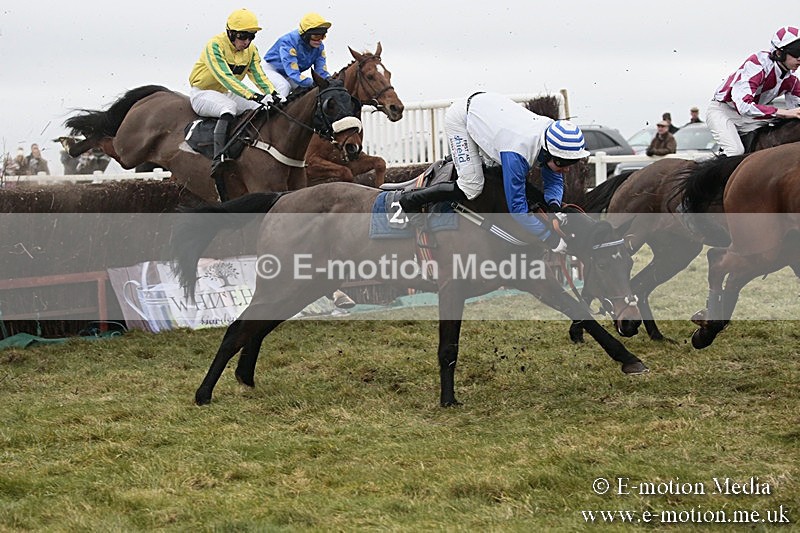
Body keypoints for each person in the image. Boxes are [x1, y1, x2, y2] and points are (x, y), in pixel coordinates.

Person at [398, 92, 590, 253]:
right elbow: (517, 209)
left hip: (488, 113)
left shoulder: (553, 138)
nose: (566, 169)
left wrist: (555, 207)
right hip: (462, 118)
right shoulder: (518, 154)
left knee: (495, 171)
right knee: (471, 186)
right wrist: (549, 238)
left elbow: (553, 181)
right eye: (564, 163)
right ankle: (411, 200)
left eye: (571, 163)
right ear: (549, 152)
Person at [189, 8, 277, 177]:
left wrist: (272, 93)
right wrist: (254, 95)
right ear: (230, 33)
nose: (246, 41)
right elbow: (225, 78)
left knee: (262, 108)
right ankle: (219, 157)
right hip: (203, 93)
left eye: (251, 36)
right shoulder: (214, 45)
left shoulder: (251, 50)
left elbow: (259, 75)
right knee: (228, 107)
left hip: (227, 92)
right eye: (243, 36)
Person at [706, 26, 800, 156]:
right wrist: (783, 112)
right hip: (724, 111)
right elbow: (744, 106)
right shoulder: (757, 64)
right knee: (736, 151)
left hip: (750, 118)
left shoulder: (792, 81)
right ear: (779, 53)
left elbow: (796, 113)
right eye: (796, 52)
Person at [262, 12, 332, 99]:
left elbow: (321, 72)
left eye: (322, 36)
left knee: (309, 91)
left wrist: (331, 80)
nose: (319, 40)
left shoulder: (319, 47)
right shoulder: (288, 42)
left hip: (288, 75)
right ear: (305, 35)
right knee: (284, 87)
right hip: (271, 70)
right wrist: (313, 82)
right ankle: (266, 110)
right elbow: (293, 73)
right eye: (316, 36)